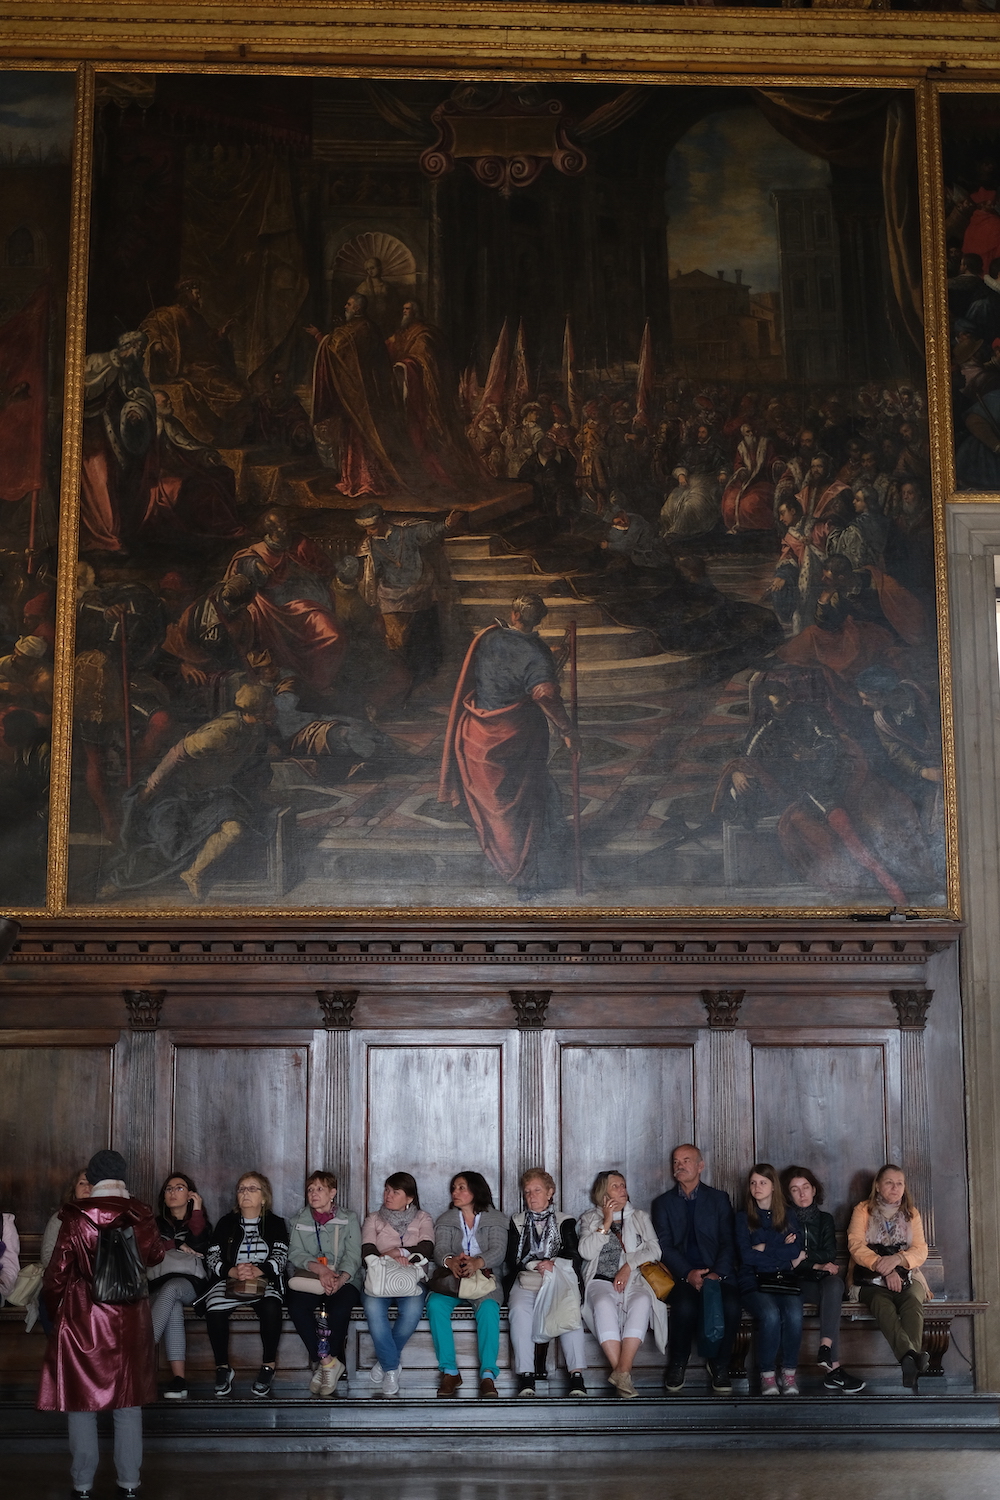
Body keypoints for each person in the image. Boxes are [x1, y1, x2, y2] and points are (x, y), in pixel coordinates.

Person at [37, 1148, 163, 1500]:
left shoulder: (76, 1217)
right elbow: (155, 1256)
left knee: (82, 1404)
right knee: (128, 1403)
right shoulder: (141, 1213)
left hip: (83, 1320)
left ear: (91, 1179)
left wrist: (54, 1311)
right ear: (122, 1178)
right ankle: (129, 1483)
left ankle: (82, 1485)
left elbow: (55, 1276)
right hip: (131, 1320)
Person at [438, 594, 579, 899]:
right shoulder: (537, 653)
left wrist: (550, 659)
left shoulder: (489, 639)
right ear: (538, 619)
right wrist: (567, 729)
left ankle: (519, 864)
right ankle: (524, 874)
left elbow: (513, 665)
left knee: (503, 807)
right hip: (516, 735)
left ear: (514, 614)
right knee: (524, 803)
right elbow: (542, 691)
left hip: (477, 732)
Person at [107, 683, 276, 902]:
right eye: (271, 705)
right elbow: (177, 754)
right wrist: (150, 789)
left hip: (213, 794)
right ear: (259, 710)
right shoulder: (221, 733)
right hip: (178, 794)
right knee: (171, 846)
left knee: (234, 830)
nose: (276, 708)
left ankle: (194, 874)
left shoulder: (256, 729)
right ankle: (119, 882)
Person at [651, 1143, 742, 1395]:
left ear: (700, 1166)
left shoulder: (718, 1199)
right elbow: (664, 1246)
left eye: (686, 1160)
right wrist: (688, 1274)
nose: (680, 1166)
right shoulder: (663, 1203)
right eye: (676, 1162)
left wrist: (716, 1274)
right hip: (681, 1276)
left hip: (718, 1274)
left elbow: (728, 1241)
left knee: (732, 1305)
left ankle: (720, 1364)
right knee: (685, 1306)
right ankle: (678, 1362)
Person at [225, 507, 345, 697]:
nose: (285, 528)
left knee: (332, 635)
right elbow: (240, 568)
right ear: (270, 530)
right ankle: (285, 686)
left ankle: (320, 683)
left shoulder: (302, 544)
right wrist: (255, 564)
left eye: (285, 522)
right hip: (274, 612)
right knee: (256, 615)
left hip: (306, 607)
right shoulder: (256, 553)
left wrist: (304, 572)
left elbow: (327, 570)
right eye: (280, 525)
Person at [308, 293, 415, 497]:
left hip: (357, 395)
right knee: (361, 436)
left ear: (357, 308)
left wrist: (319, 336)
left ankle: (362, 481)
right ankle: (360, 480)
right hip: (370, 393)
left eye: (348, 304)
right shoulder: (371, 328)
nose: (345, 307)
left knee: (360, 436)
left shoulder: (353, 330)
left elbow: (335, 349)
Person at [354, 501, 464, 694]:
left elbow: (428, 531)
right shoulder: (371, 544)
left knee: (421, 639)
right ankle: (401, 682)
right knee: (395, 642)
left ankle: (420, 681)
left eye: (371, 528)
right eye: (366, 529)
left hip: (419, 590)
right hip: (391, 594)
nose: (369, 533)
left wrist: (446, 524)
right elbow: (375, 570)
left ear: (380, 521)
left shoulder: (406, 533)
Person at [577, 1169, 666, 1399]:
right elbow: (586, 1253)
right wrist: (606, 1222)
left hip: (634, 1279)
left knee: (643, 1300)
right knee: (603, 1304)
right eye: (615, 1186)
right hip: (600, 1280)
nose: (622, 1190)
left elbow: (654, 1249)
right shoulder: (589, 1218)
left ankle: (622, 1372)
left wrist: (628, 1266)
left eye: (623, 1185)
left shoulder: (638, 1217)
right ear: (603, 1192)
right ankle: (623, 1375)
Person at [200, 1171, 289, 1399]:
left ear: (264, 1197)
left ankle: (268, 1365)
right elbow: (212, 1256)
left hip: (264, 1280)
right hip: (231, 1280)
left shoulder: (276, 1223)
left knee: (271, 1306)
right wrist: (232, 1270)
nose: (245, 1193)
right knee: (214, 1307)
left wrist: (259, 1269)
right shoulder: (226, 1222)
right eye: (241, 1189)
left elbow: (281, 1255)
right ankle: (222, 1368)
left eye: (252, 1189)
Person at [504, 1167, 587, 1398]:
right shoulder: (517, 1221)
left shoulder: (564, 1220)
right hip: (527, 1280)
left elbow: (574, 1254)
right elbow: (512, 1258)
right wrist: (533, 1264)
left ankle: (576, 1376)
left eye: (537, 1190)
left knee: (570, 1314)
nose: (532, 1196)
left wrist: (553, 1263)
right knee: (519, 1310)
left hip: (557, 1280)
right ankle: (526, 1376)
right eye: (528, 1191)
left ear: (550, 1192)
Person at [781, 1166, 865, 1394]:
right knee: (826, 1293)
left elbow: (829, 1253)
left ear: (814, 1189)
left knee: (835, 1285)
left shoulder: (825, 1219)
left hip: (819, 1280)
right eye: (795, 1190)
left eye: (806, 1187)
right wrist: (814, 1263)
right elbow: (786, 1260)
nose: (802, 1194)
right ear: (788, 1195)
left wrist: (804, 1256)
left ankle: (825, 1348)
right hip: (794, 1281)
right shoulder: (784, 1221)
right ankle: (833, 1370)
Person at [847, 1163, 930, 1388]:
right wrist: (884, 1268)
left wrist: (898, 1260)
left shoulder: (911, 1213)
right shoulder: (863, 1210)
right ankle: (911, 1357)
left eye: (899, 1183)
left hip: (908, 1275)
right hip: (870, 1277)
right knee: (882, 1304)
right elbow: (856, 1245)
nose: (895, 1188)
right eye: (889, 1182)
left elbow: (921, 1249)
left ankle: (908, 1360)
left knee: (913, 1300)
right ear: (877, 1186)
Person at [427, 1171, 509, 1399]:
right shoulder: (446, 1219)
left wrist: (478, 1262)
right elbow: (440, 1249)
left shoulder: (495, 1218)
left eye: (461, 1187)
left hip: (484, 1279)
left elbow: (498, 1250)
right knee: (435, 1305)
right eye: (454, 1188)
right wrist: (450, 1261)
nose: (456, 1192)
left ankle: (488, 1376)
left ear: (476, 1190)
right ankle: (450, 1371)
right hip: (453, 1280)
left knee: (490, 1308)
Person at [141, 278, 249, 445]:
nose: (200, 298)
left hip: (204, 366)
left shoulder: (197, 317)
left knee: (239, 389)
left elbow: (206, 341)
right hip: (187, 369)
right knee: (233, 393)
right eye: (197, 294)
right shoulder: (167, 314)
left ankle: (227, 435)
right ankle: (219, 436)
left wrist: (220, 335)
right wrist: (155, 345)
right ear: (186, 294)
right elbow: (149, 330)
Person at [387, 299, 479, 488]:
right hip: (404, 392)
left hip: (424, 395)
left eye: (408, 310)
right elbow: (386, 347)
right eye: (403, 309)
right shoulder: (402, 334)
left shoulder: (425, 334)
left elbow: (424, 358)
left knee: (423, 433)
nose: (404, 312)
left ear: (416, 313)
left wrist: (405, 365)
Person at [80, 331, 156, 558]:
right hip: (87, 433)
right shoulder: (96, 361)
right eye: (139, 349)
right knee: (97, 479)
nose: (141, 354)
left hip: (114, 434)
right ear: (128, 345)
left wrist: (135, 410)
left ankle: (109, 536)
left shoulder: (132, 371)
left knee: (112, 481)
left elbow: (141, 396)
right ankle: (101, 537)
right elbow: (78, 386)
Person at [286, 1171, 362, 1397]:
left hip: (344, 1279)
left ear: (332, 1193)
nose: (313, 1194)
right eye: (310, 1189)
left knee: (338, 1309)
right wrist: (320, 1270)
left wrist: (341, 1279)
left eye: (319, 1189)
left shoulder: (349, 1218)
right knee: (296, 1305)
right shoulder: (299, 1220)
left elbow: (354, 1255)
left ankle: (329, 1364)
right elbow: (295, 1253)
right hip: (312, 1278)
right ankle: (328, 1362)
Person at [360, 1171, 435, 1396]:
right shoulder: (373, 1218)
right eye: (386, 1190)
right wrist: (388, 1258)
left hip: (411, 1278)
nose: (388, 1195)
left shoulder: (423, 1218)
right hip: (379, 1278)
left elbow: (427, 1248)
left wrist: (400, 1252)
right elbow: (367, 1250)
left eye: (395, 1191)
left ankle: (384, 1362)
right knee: (373, 1308)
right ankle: (391, 1368)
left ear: (409, 1198)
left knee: (412, 1310)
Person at [139, 389, 246, 542]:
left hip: (184, 467)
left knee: (224, 473)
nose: (170, 403)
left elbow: (190, 445)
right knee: (205, 489)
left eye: (169, 399)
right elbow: (146, 461)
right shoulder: (147, 429)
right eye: (165, 402)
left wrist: (206, 455)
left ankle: (229, 519)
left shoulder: (173, 423)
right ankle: (222, 526)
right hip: (163, 474)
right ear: (154, 406)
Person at [735, 1163, 804, 1396]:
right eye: (753, 1183)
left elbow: (794, 1251)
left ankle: (788, 1373)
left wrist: (764, 1247)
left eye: (763, 1182)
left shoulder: (788, 1215)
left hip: (783, 1278)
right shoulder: (743, 1217)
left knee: (794, 1314)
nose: (757, 1187)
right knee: (770, 1314)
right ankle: (767, 1376)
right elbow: (746, 1256)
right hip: (752, 1280)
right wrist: (778, 1249)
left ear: (773, 1186)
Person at [148, 1172, 212, 1400]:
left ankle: (141, 1354)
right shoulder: (153, 1223)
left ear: (190, 1195)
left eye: (180, 1188)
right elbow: (147, 1250)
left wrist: (196, 1209)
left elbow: (199, 1244)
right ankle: (179, 1380)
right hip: (158, 1282)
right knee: (172, 1305)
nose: (173, 1192)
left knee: (174, 1288)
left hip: (191, 1284)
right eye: (169, 1189)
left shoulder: (201, 1221)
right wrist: (177, 1244)